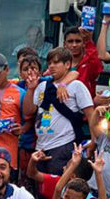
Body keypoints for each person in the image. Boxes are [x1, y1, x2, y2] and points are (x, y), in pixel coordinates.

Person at [23, 47, 94, 175]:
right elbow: (28, 111)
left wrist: (94, 141)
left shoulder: (76, 86)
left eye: (56, 62)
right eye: (49, 63)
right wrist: (31, 89)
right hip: (41, 147)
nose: (51, 66)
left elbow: (91, 116)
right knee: (40, 184)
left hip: (63, 145)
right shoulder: (42, 85)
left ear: (67, 64)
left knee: (59, 183)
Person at [63, 26, 102, 96]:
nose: (74, 45)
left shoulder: (90, 64)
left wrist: (89, 40)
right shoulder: (59, 65)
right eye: (70, 41)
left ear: (84, 43)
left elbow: (96, 62)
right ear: (64, 44)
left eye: (78, 41)